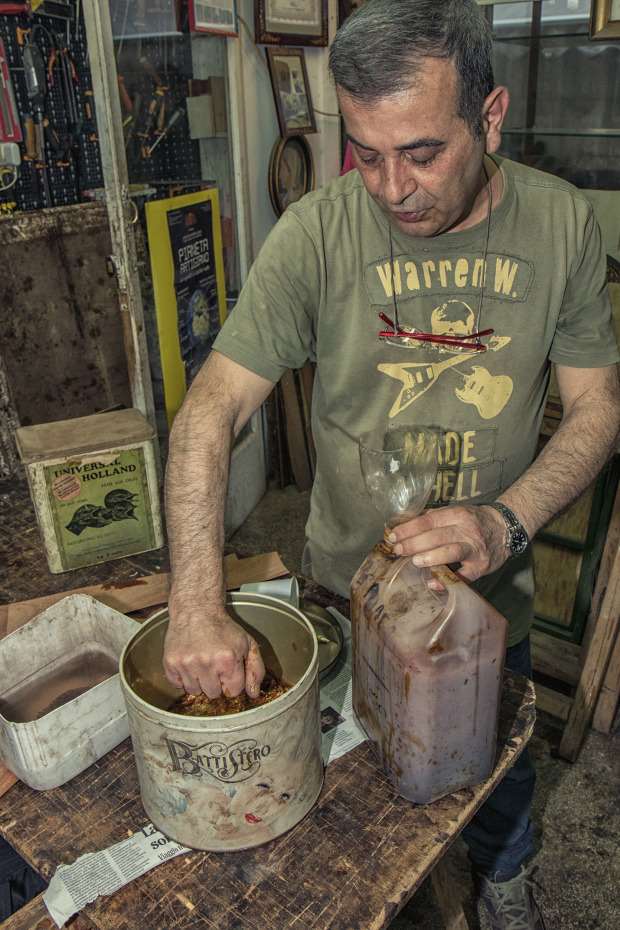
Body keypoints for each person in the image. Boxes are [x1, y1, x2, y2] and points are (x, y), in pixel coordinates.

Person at [162, 2, 620, 927]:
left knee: (492, 767)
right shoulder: (316, 232)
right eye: (365, 154)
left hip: (489, 598)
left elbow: (599, 408)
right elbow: (210, 412)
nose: (392, 188)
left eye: (421, 153)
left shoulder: (562, 225)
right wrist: (196, 601)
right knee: (359, 782)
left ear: (490, 118)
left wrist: (505, 521)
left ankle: (505, 877)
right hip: (346, 588)